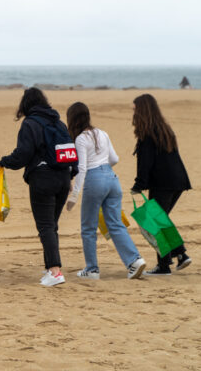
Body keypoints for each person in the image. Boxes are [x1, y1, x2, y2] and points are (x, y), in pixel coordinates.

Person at [0, 87, 77, 287]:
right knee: (51, 225)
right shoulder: (59, 122)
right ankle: (51, 267)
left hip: (43, 179)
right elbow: (70, 152)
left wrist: (2, 162)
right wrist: (70, 176)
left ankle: (55, 272)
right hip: (63, 178)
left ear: (26, 104)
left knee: (46, 226)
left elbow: (23, 154)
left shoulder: (30, 123)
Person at [65, 102, 147, 280]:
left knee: (88, 228)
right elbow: (115, 158)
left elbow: (82, 168)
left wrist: (74, 195)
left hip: (94, 180)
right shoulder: (102, 133)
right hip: (112, 178)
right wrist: (104, 170)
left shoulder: (80, 139)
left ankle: (92, 269)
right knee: (115, 224)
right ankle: (135, 260)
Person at [131, 94, 192, 276]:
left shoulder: (147, 133)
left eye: (135, 108)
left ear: (142, 110)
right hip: (178, 181)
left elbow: (145, 163)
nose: (133, 111)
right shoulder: (164, 129)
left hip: (164, 183)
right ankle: (166, 263)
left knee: (156, 221)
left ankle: (179, 255)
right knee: (159, 220)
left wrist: (139, 184)